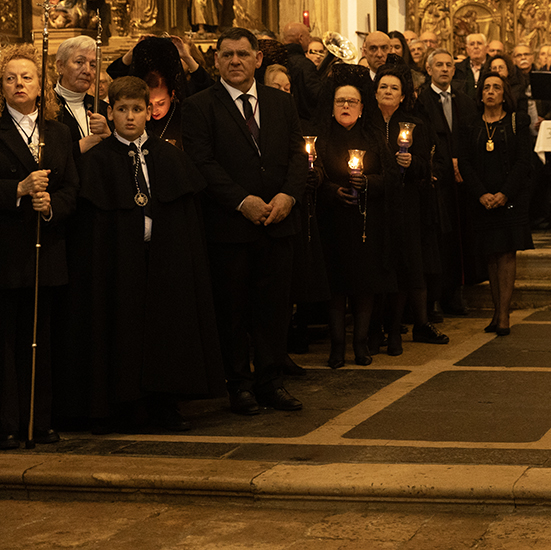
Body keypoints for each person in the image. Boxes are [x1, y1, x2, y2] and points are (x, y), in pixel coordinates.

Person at [71, 77, 224, 432]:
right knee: (119, 329)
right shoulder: (95, 162)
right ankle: (122, 405)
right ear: (109, 112)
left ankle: (164, 403)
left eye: (137, 109)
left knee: (165, 330)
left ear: (149, 112)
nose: (129, 117)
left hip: (164, 261)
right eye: (122, 110)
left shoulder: (170, 157)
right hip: (117, 263)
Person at [182, 27, 307, 415]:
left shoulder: (280, 103)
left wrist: (288, 194)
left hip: (278, 222)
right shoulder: (200, 105)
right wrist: (241, 201)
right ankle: (239, 385)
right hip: (230, 228)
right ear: (215, 61)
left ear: (258, 59)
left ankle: (271, 381)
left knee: (273, 310)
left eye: (242, 54)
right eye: (226, 55)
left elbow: (297, 154)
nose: (234, 61)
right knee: (233, 310)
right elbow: (201, 162)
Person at [0, 46, 79, 449]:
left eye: (27, 77)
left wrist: (52, 207)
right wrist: (15, 190)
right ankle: (7, 425)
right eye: (10, 78)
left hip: (44, 250)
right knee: (1, 345)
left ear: (40, 85)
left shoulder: (58, 131)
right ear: (0, 85)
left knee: (41, 343)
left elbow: (72, 188)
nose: (19, 84)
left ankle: (40, 421)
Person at [317, 78, 399, 366]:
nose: (346, 106)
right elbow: (315, 178)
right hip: (333, 222)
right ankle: (337, 346)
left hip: (368, 223)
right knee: (337, 287)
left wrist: (368, 183)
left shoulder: (374, 137)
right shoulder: (323, 139)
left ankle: (360, 344)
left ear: (362, 108)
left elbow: (390, 178)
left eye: (352, 102)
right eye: (341, 101)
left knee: (365, 285)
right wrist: (331, 191)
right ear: (332, 108)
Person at [374, 66, 448, 353]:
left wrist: (411, 164)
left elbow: (425, 163)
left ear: (403, 95)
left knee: (409, 264)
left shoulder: (413, 123)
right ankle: (377, 328)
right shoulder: (368, 123)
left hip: (408, 203)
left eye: (394, 88)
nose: (388, 92)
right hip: (378, 201)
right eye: (383, 87)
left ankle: (402, 327)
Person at [459, 71, 533, 335]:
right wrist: (480, 193)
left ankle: (504, 315)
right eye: (486, 87)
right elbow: (465, 162)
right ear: (480, 94)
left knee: (506, 253)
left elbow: (524, 161)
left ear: (504, 94)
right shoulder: (470, 124)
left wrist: (504, 194)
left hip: (510, 200)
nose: (490, 91)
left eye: (496, 88)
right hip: (482, 200)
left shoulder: (517, 121)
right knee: (490, 254)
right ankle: (496, 311)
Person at [414, 49, 478, 317]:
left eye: (448, 65)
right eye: (438, 65)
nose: (444, 69)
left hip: (462, 178)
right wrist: (444, 161)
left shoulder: (464, 100)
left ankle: (454, 294)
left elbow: (470, 135)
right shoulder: (421, 101)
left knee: (460, 237)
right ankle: (434, 299)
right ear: (429, 69)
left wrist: (461, 161)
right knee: (439, 240)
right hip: (437, 178)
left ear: (454, 70)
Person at [54, 35, 110, 158]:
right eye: (79, 62)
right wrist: (78, 147)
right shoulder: (44, 106)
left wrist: (109, 136)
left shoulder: (103, 108)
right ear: (60, 66)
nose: (87, 70)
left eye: (93, 65)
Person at [454, 32, 487, 97]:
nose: (476, 47)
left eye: (479, 43)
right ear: (467, 49)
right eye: (472, 44)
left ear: (486, 48)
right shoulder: (458, 69)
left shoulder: (493, 67)